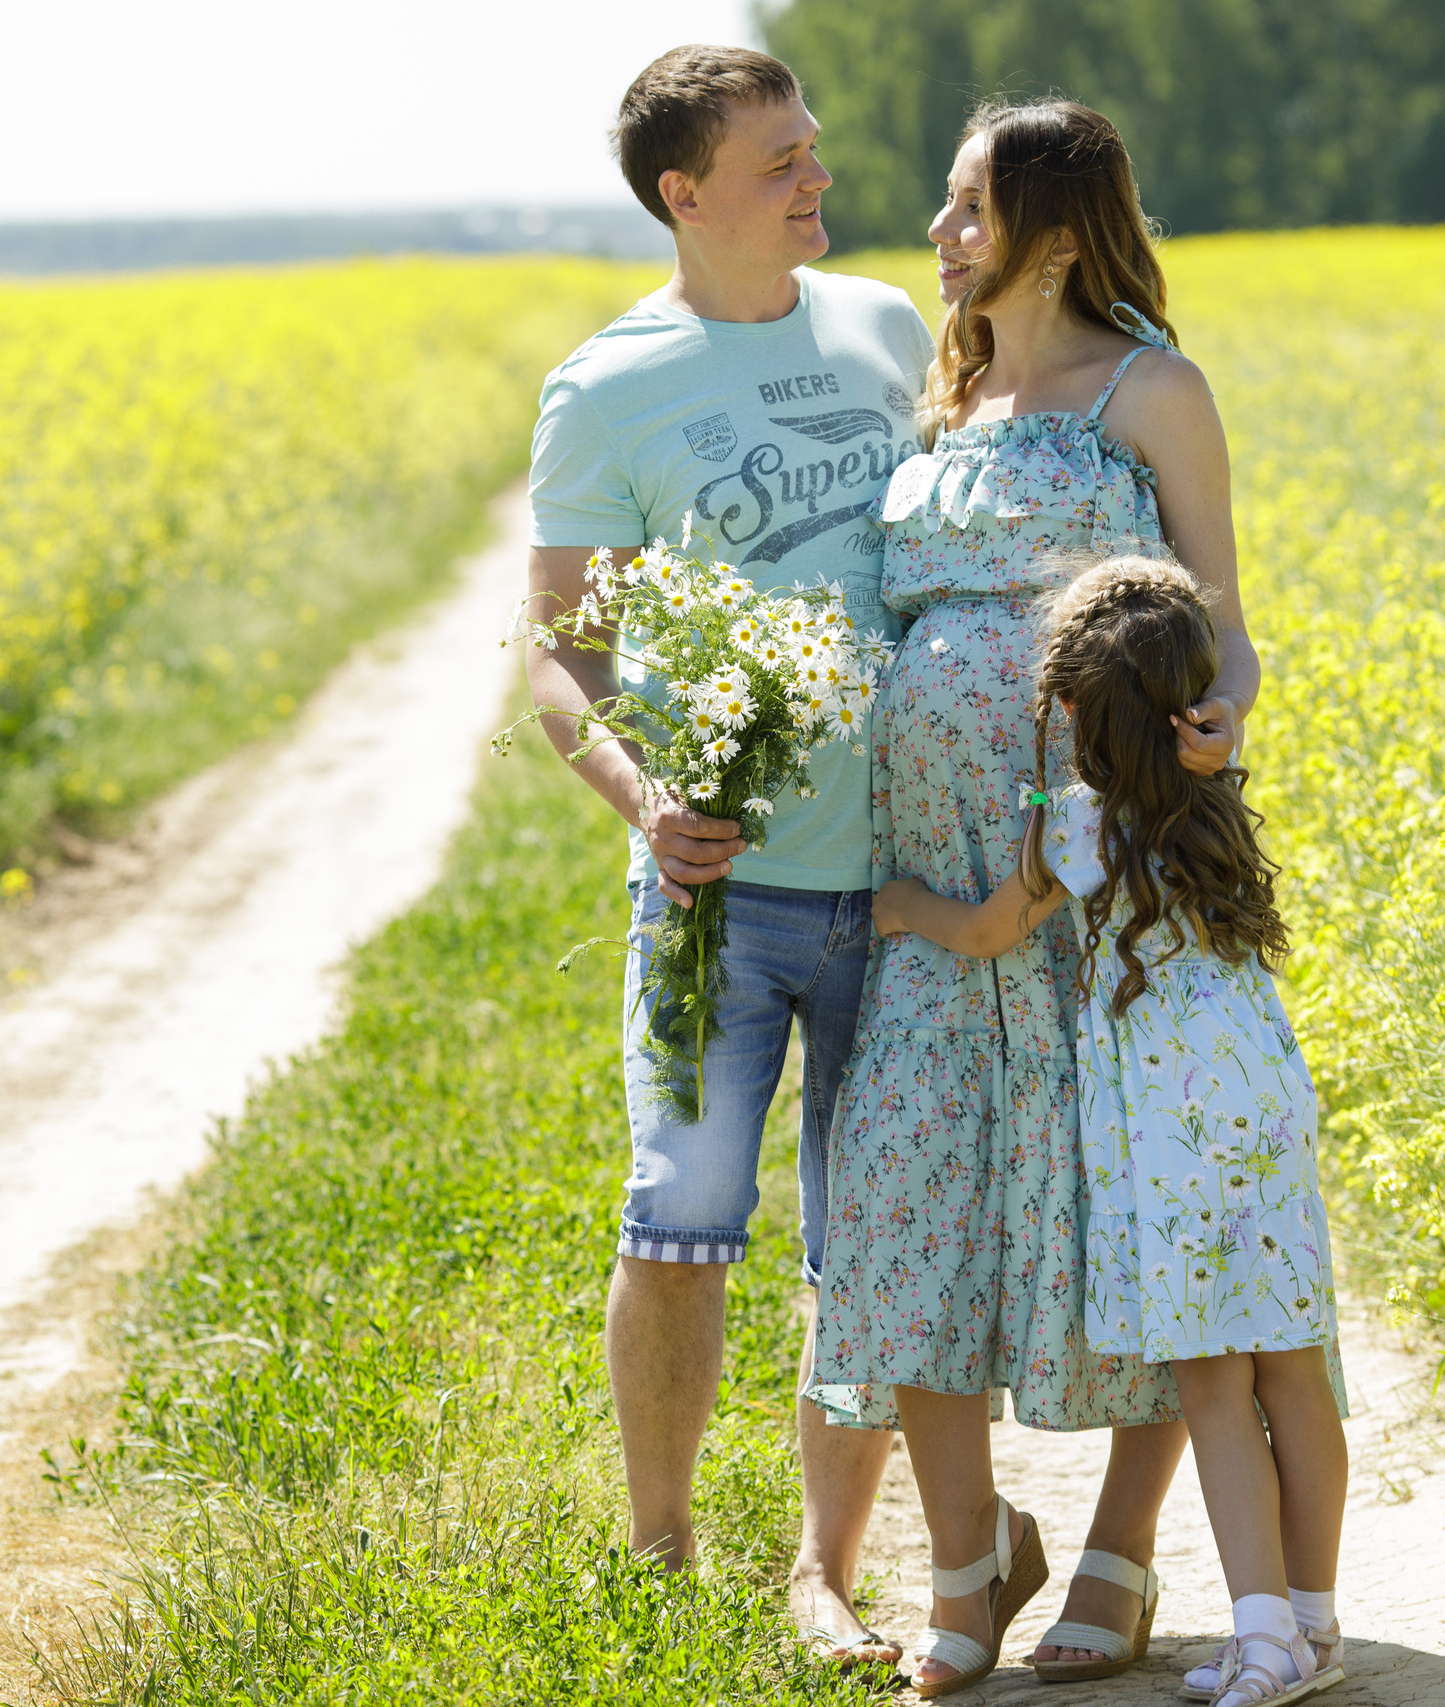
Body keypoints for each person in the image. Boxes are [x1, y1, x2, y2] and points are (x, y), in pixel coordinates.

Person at [801, 99, 1346, 1696]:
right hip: (940, 887)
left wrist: (1220, 713)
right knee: (909, 1196)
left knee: (1135, 1221)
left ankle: (1118, 1545)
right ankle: (964, 1559)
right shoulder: (947, 396)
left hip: (1100, 891)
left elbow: (1224, 618)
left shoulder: (1150, 389)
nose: (942, 233)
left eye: (970, 207)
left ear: (1052, 229)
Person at [522, 43, 934, 1670]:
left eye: (812, 148)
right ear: (685, 195)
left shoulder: (887, 327)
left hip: (901, 881)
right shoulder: (607, 384)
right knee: (679, 1213)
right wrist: (642, 798)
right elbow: (563, 654)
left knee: (868, 1236)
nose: (817, 177)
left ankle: (826, 1572)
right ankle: (662, 1547)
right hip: (719, 895)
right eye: (781, 162)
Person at [871, 558, 1350, 1706]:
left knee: (1212, 1382)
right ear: (1190, 699)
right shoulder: (1214, 794)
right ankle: (1313, 1626)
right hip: (1263, 1103)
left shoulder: (1073, 826)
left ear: (1072, 707)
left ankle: (1263, 1642)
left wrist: (901, 906)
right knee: (1292, 1369)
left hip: (1173, 1139)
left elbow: (987, 933)